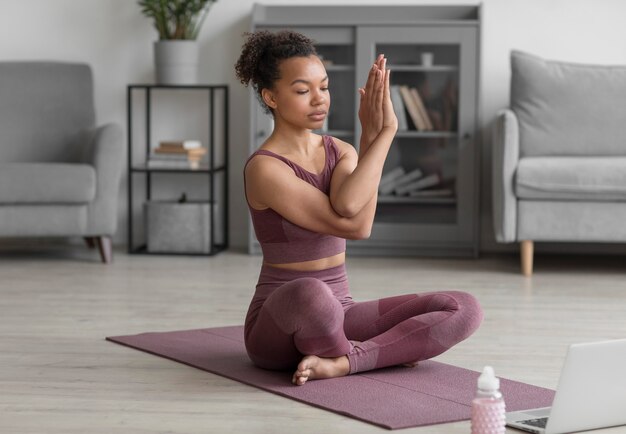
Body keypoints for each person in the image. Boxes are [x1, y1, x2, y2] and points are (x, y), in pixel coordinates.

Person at [235, 30, 483, 386]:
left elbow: (354, 210)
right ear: (271, 97)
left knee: (463, 307)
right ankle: (370, 354)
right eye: (303, 91)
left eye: (325, 87)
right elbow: (354, 224)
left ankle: (343, 361)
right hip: (278, 324)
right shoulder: (265, 168)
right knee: (312, 292)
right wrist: (382, 135)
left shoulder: (340, 150)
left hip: (341, 311)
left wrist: (371, 138)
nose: (319, 99)